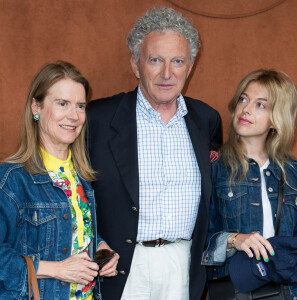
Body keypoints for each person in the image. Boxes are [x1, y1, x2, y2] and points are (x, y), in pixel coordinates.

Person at [87, 7, 222, 300]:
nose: (166, 73)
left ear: (190, 66)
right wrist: (94, 245)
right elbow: (74, 194)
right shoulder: (96, 118)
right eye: (155, 60)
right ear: (136, 64)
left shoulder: (207, 119)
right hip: (123, 267)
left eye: (177, 61)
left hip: (183, 267)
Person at [0, 61, 119, 300]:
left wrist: (100, 247)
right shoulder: (13, 179)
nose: (74, 116)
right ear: (37, 106)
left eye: (80, 106)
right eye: (62, 103)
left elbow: (71, 233)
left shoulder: (80, 176)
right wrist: (58, 269)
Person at [202, 69, 297, 299]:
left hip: (288, 292)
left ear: (277, 119)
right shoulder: (213, 169)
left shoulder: (294, 173)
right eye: (243, 99)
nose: (245, 109)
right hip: (235, 290)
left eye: (260, 105)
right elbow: (196, 241)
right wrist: (234, 240)